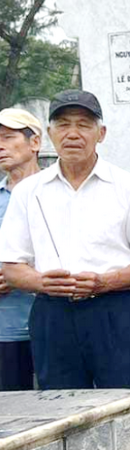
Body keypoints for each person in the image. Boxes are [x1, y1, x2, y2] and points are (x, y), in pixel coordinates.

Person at [0, 91, 130, 389]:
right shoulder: (28, 192)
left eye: (83, 124)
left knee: (125, 404)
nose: (72, 134)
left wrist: (105, 282)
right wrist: (41, 283)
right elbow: (12, 266)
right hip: (52, 313)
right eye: (63, 125)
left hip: (114, 311)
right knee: (61, 411)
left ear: (100, 133)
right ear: (49, 134)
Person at [0, 109, 42, 391]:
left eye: (7, 137)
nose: (0, 146)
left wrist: (21, 274)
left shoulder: (58, 191)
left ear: (35, 142)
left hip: (56, 321)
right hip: (6, 330)